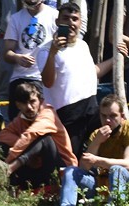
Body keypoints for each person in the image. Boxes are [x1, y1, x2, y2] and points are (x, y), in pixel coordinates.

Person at [39, 94, 129, 206]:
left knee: (116, 170)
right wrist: (97, 142)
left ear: (122, 116)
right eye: (104, 116)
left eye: (112, 116)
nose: (107, 120)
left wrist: (97, 160)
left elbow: (128, 164)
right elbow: (84, 167)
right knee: (71, 171)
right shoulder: (97, 135)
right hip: (104, 187)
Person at [37, 2, 99, 158]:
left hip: (91, 107)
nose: (71, 23)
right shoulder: (45, 50)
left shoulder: (83, 45)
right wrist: (53, 53)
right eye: (66, 18)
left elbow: (94, 72)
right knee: (70, 159)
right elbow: (48, 82)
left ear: (80, 23)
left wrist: (116, 59)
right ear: (58, 22)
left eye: (75, 19)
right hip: (67, 115)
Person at [0, 80, 77, 188]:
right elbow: (3, 135)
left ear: (40, 100)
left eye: (32, 101)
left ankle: (8, 169)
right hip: (36, 166)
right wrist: (27, 150)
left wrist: (9, 162)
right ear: (18, 105)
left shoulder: (48, 113)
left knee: (43, 138)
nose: (29, 107)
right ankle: (7, 187)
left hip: (62, 168)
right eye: (24, 103)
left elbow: (31, 134)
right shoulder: (20, 119)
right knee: (3, 145)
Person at [2, 0, 58, 118]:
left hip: (44, 79)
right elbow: (7, 53)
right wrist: (17, 57)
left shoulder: (55, 16)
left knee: (43, 121)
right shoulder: (15, 18)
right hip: (20, 78)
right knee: (17, 123)